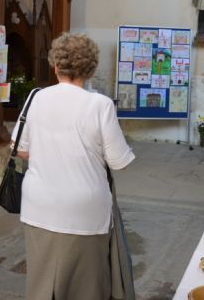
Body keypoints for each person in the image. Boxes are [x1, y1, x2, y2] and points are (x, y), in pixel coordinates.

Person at [12, 33, 136, 300]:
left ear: (56, 66)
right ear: (90, 69)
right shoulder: (99, 105)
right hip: (84, 209)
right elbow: (118, 161)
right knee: (86, 287)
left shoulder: (36, 98)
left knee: (41, 284)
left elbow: (21, 149)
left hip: (39, 206)